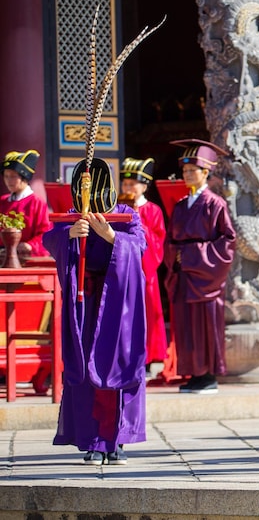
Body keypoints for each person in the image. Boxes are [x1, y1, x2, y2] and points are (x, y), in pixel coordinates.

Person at [44, 158, 147, 465]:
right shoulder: (73, 218)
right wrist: (69, 236)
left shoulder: (126, 214)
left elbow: (140, 245)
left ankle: (116, 440)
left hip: (118, 305)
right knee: (85, 368)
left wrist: (111, 237)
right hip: (85, 304)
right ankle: (92, 440)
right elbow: (50, 238)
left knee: (116, 365)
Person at [164, 139, 236, 395]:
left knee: (205, 325)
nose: (186, 175)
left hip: (206, 277)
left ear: (206, 172)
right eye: (184, 171)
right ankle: (193, 373)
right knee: (185, 325)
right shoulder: (181, 205)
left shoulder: (215, 204)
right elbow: (170, 240)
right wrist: (177, 256)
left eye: (191, 170)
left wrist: (192, 256)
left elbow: (227, 242)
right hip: (184, 275)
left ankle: (207, 375)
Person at [120, 157, 167, 369]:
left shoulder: (152, 210)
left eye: (133, 184)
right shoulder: (118, 208)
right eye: (125, 183)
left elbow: (158, 241)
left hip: (144, 271)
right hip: (122, 269)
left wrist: (139, 223)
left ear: (144, 186)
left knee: (146, 314)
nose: (128, 187)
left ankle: (146, 359)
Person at [2, 150, 52, 259]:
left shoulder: (37, 203)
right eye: (6, 176)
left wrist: (30, 245)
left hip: (26, 258)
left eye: (13, 176)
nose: (8, 180)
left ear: (24, 177)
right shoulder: (2, 201)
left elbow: (45, 234)